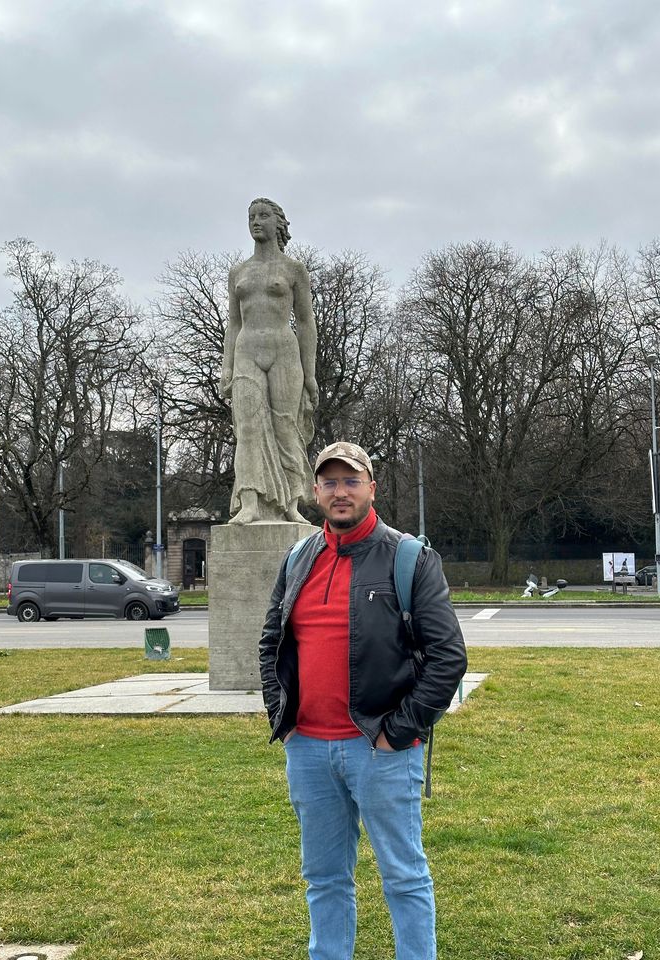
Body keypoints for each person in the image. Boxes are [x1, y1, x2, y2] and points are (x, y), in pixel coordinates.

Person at [260, 441, 468, 960]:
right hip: (308, 749)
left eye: (351, 481)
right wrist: (283, 717)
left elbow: (448, 657)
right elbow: (271, 641)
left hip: (381, 750)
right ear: (315, 492)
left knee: (404, 876)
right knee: (324, 877)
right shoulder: (298, 558)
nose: (341, 492)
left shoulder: (409, 558)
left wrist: (398, 732)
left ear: (371, 488)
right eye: (330, 482)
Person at [220, 197, 319, 524]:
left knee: (286, 426)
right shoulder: (238, 272)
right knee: (247, 427)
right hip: (247, 351)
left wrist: (310, 374)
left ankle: (291, 502)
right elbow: (234, 323)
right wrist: (227, 366)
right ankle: (249, 501)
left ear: (279, 224)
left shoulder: (293, 270)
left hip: (284, 352)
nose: (256, 221)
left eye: (263, 215)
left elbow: (305, 321)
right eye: (251, 216)